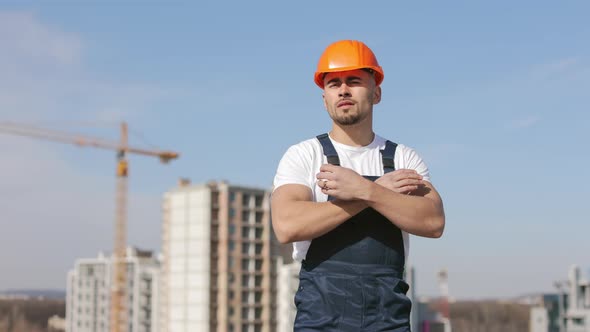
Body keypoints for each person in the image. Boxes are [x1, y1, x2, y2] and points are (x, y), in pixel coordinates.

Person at [271, 40, 445, 331]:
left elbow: (433, 221)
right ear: (324, 98)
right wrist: (372, 194)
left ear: (376, 93)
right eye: (333, 83)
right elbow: (287, 226)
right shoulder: (304, 155)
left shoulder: (404, 157)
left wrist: (366, 190)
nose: (343, 90)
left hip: (388, 318)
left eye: (354, 81)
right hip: (321, 318)